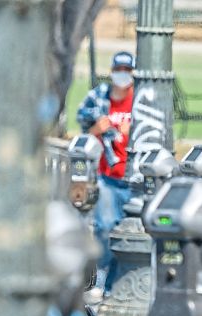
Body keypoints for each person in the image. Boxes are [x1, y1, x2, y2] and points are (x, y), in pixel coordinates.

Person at [76, 50, 136, 295]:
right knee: (105, 227)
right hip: (107, 176)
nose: (122, 75)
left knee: (129, 231)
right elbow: (83, 132)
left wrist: (133, 131)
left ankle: (116, 283)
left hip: (133, 177)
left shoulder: (141, 99)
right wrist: (96, 129)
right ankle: (101, 276)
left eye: (127, 71)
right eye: (118, 70)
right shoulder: (99, 97)